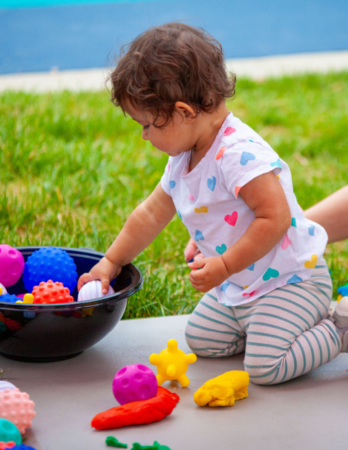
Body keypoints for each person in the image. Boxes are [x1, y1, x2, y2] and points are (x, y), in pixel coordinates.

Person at [78, 23, 347, 385]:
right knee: (202, 340)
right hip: (241, 285)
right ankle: (265, 327)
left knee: (266, 369)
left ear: (184, 111)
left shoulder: (238, 154)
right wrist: (111, 261)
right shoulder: (184, 155)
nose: (143, 135)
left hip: (290, 280)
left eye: (147, 125)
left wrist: (223, 264)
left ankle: (337, 328)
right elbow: (151, 213)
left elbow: (276, 217)